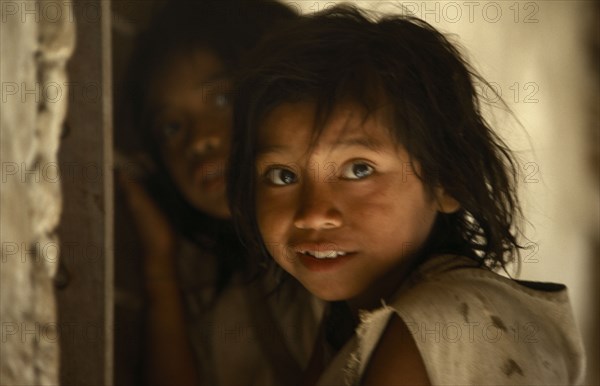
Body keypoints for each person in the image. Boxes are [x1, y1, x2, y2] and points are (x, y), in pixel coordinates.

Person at [228, 5, 586, 385]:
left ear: (448, 180)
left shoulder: (440, 320)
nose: (313, 214)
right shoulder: (352, 323)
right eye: (282, 176)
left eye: (359, 170)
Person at [115, 1, 320, 385]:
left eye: (224, 100)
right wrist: (160, 263)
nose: (199, 140)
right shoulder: (211, 285)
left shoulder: (349, 246)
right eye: (172, 127)